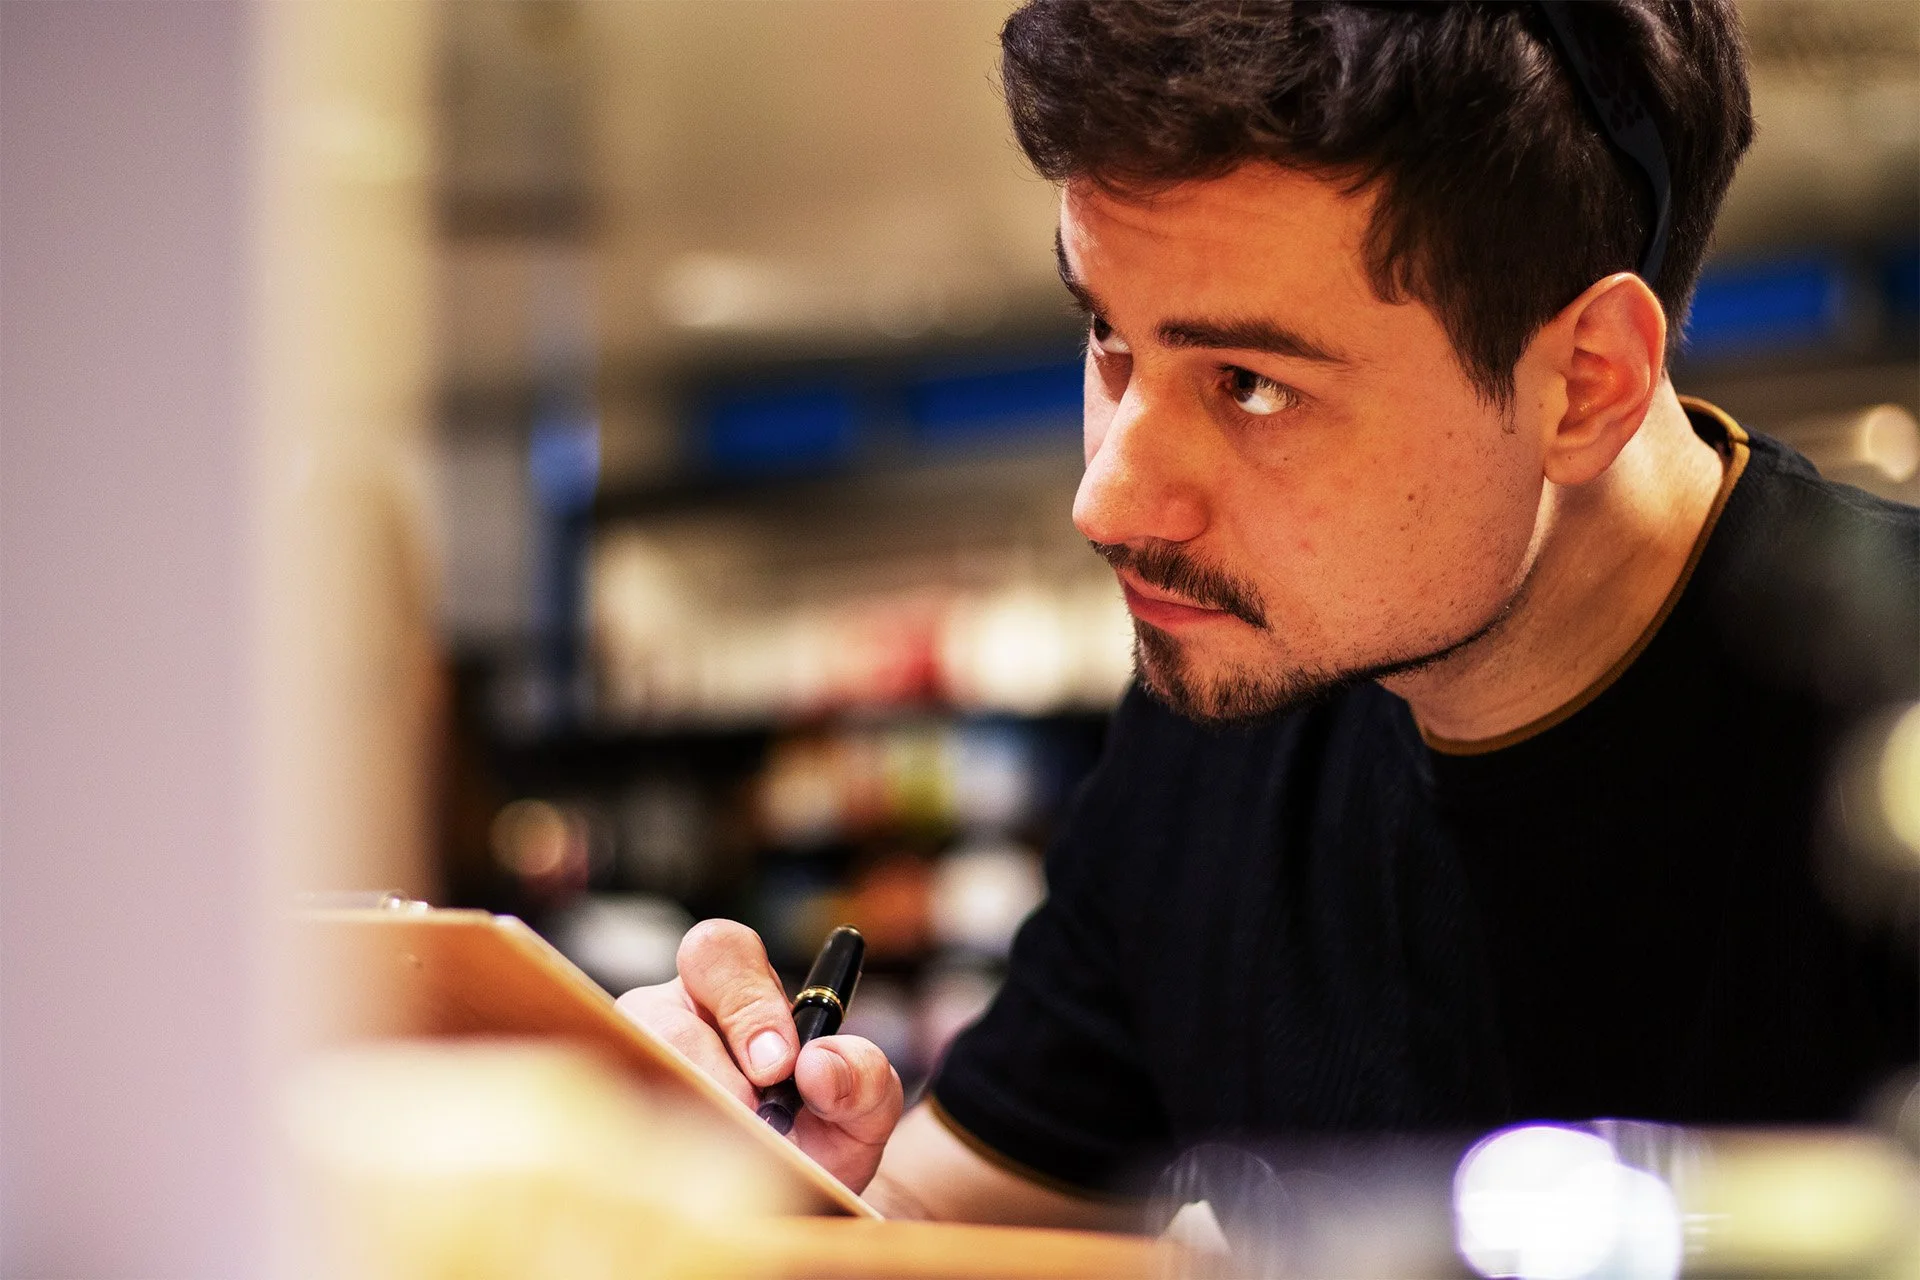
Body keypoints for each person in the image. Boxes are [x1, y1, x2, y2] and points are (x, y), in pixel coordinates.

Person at [618, 0, 1919, 1227]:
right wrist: (773, 1177)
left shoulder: (1885, 725)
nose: (1107, 499)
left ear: (1584, 384)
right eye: (1106, 338)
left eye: (1247, 383)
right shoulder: (1215, 724)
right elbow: (940, 1210)